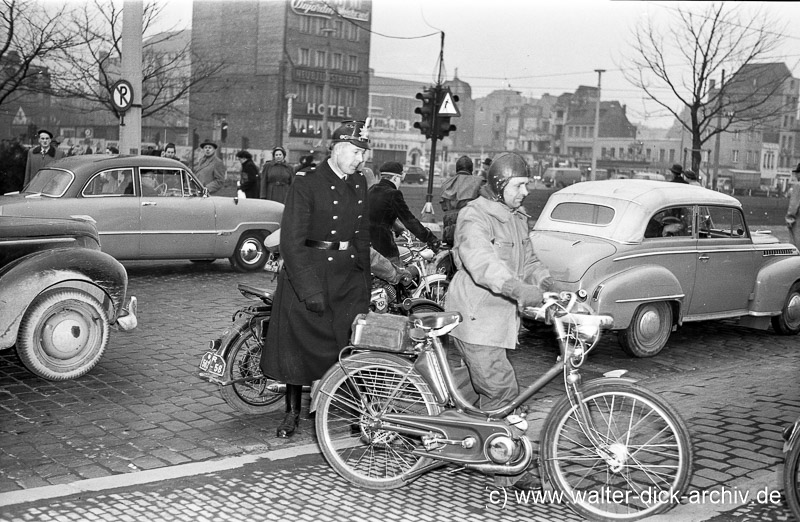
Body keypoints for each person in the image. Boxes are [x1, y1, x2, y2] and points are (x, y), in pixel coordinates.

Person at [445, 152, 553, 490]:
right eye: (520, 185)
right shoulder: (474, 215)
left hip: (498, 320)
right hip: (476, 318)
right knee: (504, 393)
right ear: (501, 184)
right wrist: (517, 288)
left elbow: (531, 259)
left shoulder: (516, 216)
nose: (526, 192)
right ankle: (505, 474)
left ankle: (465, 448)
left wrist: (547, 284)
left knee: (479, 394)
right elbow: (481, 261)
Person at [260, 120, 372, 439]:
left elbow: (361, 235)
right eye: (354, 152)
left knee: (347, 345)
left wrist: (365, 282)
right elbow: (292, 240)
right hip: (308, 273)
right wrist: (308, 287)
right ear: (335, 149)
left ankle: (357, 410)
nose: (359, 159)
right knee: (296, 346)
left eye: (363, 153)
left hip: (346, 278)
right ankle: (292, 413)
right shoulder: (307, 182)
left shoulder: (360, 182)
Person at [367, 161, 440, 262]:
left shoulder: (372, 190)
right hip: (384, 248)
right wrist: (430, 238)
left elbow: (379, 215)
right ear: (396, 178)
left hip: (367, 245)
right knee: (400, 275)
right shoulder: (393, 194)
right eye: (400, 179)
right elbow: (409, 220)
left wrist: (399, 229)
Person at [440, 155, 485, 246]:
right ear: (471, 169)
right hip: (469, 228)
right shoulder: (480, 182)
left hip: (449, 230)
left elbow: (444, 207)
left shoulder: (446, 183)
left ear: (457, 168)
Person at [786, 163, 800, 248]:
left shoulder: (798, 186)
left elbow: (793, 205)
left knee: (795, 246)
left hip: (798, 222)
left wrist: (789, 220)